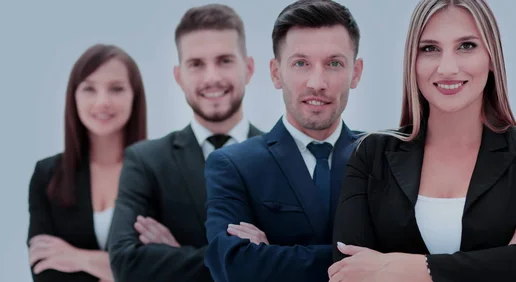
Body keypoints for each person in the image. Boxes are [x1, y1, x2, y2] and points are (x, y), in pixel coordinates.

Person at [329, 0, 516, 281]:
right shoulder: (372, 153)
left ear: (492, 57)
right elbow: (348, 272)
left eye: (466, 46)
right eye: (430, 48)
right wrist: (496, 264)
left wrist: (400, 267)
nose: (447, 68)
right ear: (413, 61)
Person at [203, 1, 364, 281]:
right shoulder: (233, 165)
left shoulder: (382, 157)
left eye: (334, 63)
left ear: (356, 72)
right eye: (301, 63)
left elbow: (408, 253)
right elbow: (232, 265)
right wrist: (365, 263)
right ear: (276, 73)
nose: (317, 82)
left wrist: (272, 254)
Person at [107, 4, 263, 282]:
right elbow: (125, 263)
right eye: (196, 64)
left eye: (225, 60)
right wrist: (253, 259)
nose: (212, 77)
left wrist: (175, 257)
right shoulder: (145, 162)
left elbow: (306, 264)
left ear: (248, 68)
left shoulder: (286, 156)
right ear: (179, 76)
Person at [27, 44, 147, 282]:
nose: (102, 102)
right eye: (89, 89)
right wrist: (121, 269)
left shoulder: (159, 173)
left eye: (116, 89)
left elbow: (167, 270)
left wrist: (78, 258)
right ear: (74, 96)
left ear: (134, 96)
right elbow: (44, 271)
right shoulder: (47, 175)